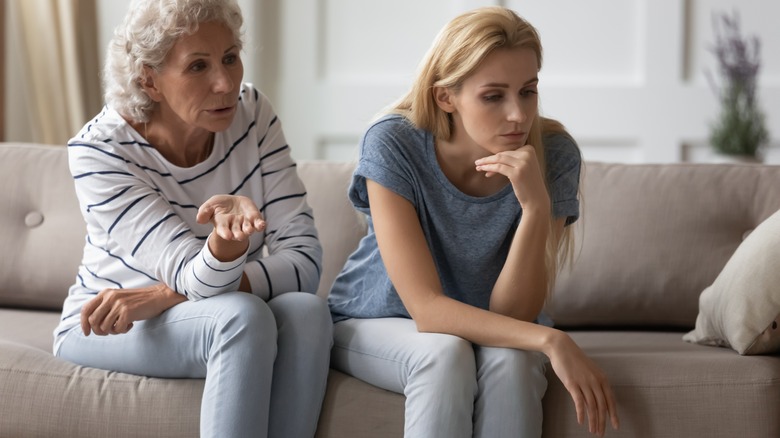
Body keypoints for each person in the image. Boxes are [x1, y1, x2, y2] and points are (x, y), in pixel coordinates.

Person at [328, 6, 619, 438]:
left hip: (491, 324)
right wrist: (551, 339)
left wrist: (536, 208)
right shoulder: (393, 142)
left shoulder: (554, 154)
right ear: (446, 97)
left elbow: (513, 314)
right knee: (445, 354)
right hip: (378, 319)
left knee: (512, 363)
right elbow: (425, 309)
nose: (518, 115)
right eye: (493, 96)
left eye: (528, 91)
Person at [52, 1, 332, 437]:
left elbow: (306, 261)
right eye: (197, 66)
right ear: (150, 79)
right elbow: (192, 274)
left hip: (166, 304)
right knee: (240, 317)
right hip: (110, 324)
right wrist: (225, 247)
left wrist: (164, 295)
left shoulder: (253, 113)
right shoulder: (100, 152)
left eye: (230, 57)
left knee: (307, 312)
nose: (225, 83)